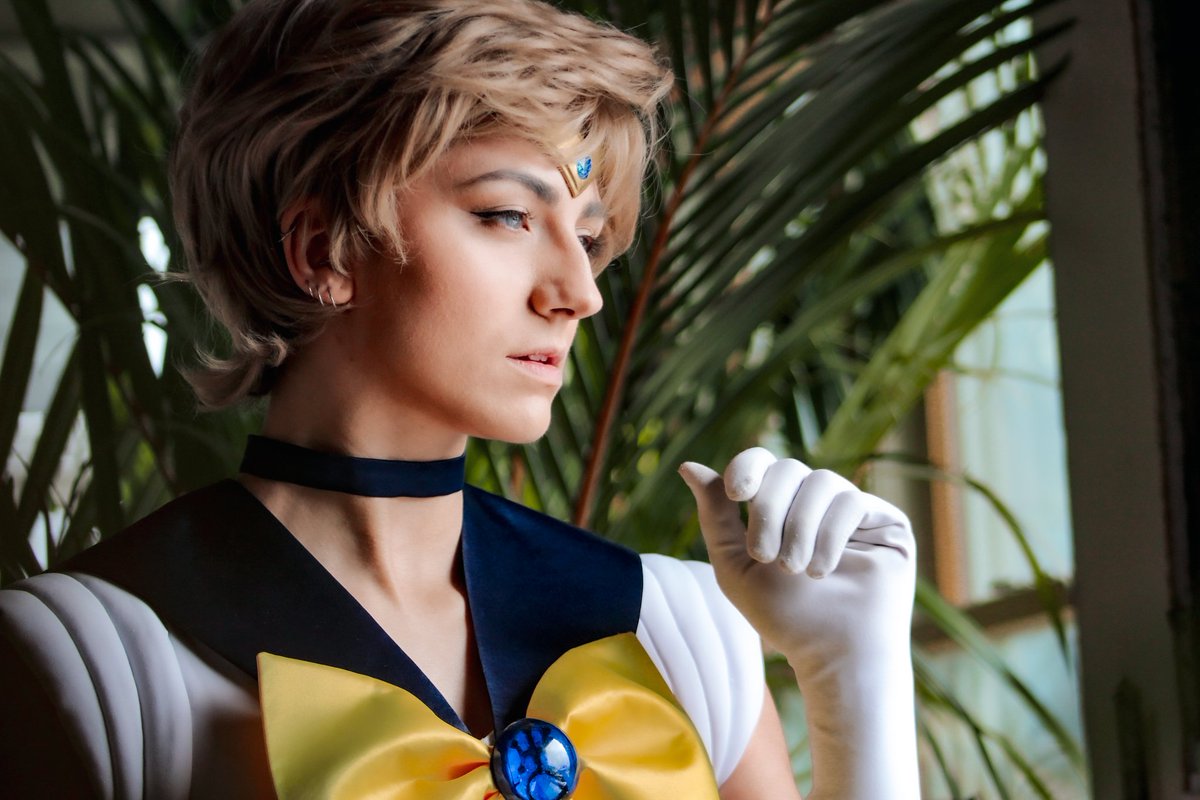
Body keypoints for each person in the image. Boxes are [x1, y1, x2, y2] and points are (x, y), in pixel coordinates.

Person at [0, 1, 920, 798]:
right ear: (323, 250)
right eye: (508, 216)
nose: (580, 292)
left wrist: (853, 678)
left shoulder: (683, 628)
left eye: (587, 236)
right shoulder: (94, 661)